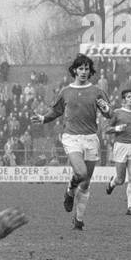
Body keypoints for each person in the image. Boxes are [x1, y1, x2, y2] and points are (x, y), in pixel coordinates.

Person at [41, 53, 111, 230]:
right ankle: (70, 191)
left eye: (87, 68)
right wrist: (43, 119)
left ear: (90, 71)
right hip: (72, 137)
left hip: (91, 138)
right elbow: (55, 112)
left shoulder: (97, 91)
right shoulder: (66, 91)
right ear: (74, 70)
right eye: (80, 68)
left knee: (86, 183)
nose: (84, 71)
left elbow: (108, 113)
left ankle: (78, 220)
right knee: (80, 173)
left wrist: (106, 109)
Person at [104, 88, 131, 215]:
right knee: (120, 179)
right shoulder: (117, 112)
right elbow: (106, 129)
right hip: (121, 146)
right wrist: (117, 128)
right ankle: (112, 183)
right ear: (124, 99)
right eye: (129, 97)